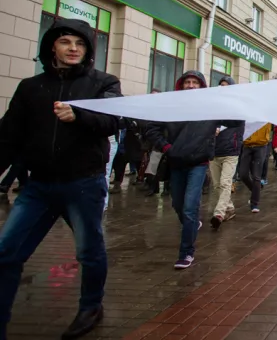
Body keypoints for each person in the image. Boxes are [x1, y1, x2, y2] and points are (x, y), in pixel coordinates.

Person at [0, 18, 121, 339]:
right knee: (6, 253)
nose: (73, 49)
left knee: (89, 251)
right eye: (66, 42)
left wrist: (79, 114)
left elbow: (112, 120)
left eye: (80, 44)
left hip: (83, 183)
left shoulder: (103, 83)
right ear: (52, 45)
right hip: (38, 187)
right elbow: (8, 136)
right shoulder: (31, 87)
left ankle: (91, 306)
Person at [145, 71, 241, 269]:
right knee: (178, 205)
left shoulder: (210, 108)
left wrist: (229, 99)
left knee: (190, 207)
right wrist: (166, 147)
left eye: (195, 83)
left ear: (201, 87)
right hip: (176, 163)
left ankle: (186, 252)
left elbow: (236, 120)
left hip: (198, 164)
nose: (190, 85)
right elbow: (151, 128)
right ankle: (192, 224)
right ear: (181, 85)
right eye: (187, 82)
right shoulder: (170, 106)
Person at [209, 76, 243, 230]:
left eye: (226, 85)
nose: (223, 88)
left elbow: (235, 121)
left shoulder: (237, 107)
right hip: (214, 151)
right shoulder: (214, 106)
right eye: (221, 85)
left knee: (225, 183)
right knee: (217, 185)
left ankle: (219, 214)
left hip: (231, 152)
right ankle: (229, 209)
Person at [240, 123, 272, 212]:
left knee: (256, 176)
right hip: (247, 145)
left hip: (261, 145)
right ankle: (255, 190)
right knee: (243, 174)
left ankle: (254, 203)